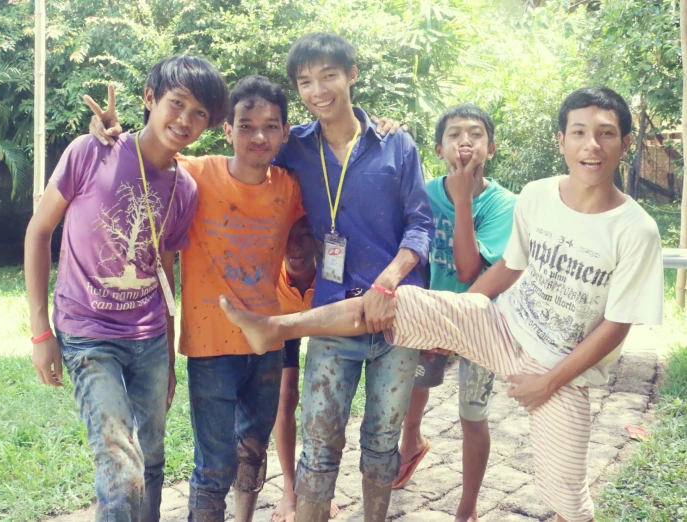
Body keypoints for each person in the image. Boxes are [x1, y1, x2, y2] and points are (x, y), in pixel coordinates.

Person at [217, 86, 665, 522]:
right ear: (561, 140)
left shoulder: (635, 230)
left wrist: (547, 382)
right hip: (504, 327)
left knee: (566, 493)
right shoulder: (540, 195)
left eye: (605, 133)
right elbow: (509, 267)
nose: (592, 144)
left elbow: (616, 325)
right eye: (580, 132)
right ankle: (277, 327)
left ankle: (475, 506)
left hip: (560, 367)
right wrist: (454, 323)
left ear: (625, 143)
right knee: (399, 300)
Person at [88, 75, 303, 522]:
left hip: (268, 341)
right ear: (227, 130)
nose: (258, 136)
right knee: (214, 464)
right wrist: (108, 135)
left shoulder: (290, 187)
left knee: (252, 450)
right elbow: (148, 153)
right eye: (246, 125)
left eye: (270, 126)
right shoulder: (195, 174)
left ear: (285, 131)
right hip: (210, 348)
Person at [24, 55, 227, 522]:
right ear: (150, 99)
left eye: (200, 113)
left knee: (151, 459)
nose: (186, 120)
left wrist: (170, 356)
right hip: (87, 334)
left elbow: (165, 272)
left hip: (150, 340)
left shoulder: (185, 188)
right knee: (122, 470)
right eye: (177, 103)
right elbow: (39, 232)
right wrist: (40, 332)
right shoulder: (91, 151)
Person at [274, 33, 434, 522]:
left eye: (328, 75)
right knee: (319, 443)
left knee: (383, 442)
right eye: (305, 81)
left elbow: (422, 224)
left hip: (395, 316)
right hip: (332, 315)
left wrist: (390, 281)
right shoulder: (294, 147)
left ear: (352, 75)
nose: (317, 90)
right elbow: (242, 163)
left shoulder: (396, 144)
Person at [393, 105, 517, 522]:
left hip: (480, 321)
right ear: (438, 148)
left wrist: (462, 200)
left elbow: (468, 270)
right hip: (430, 318)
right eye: (455, 134)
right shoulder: (424, 194)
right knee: (415, 387)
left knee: (472, 415)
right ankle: (411, 441)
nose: (466, 141)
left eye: (476, 134)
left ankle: (467, 507)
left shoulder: (503, 205)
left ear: (492, 148)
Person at [272, 216, 339, 522]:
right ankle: (289, 488)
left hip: (323, 318)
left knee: (325, 399)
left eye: (304, 236)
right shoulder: (272, 273)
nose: (294, 247)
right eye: (286, 237)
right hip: (283, 322)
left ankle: (321, 486)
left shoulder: (331, 274)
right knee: (285, 397)